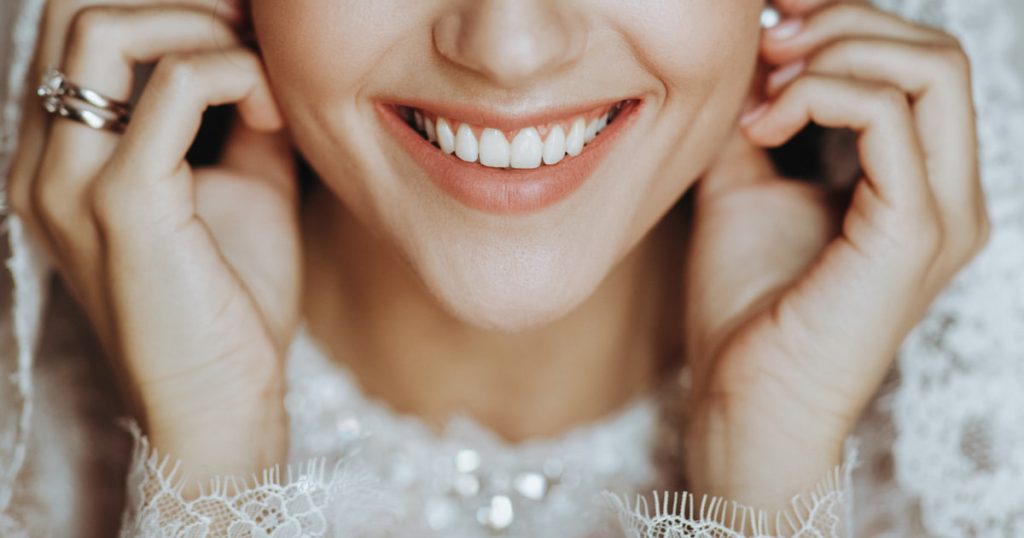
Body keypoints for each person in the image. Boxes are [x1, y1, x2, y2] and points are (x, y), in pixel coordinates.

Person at [0, 0, 1005, 536]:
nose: (510, 46)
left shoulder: (964, 472)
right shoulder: (33, 467)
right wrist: (207, 472)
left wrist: (769, 483)